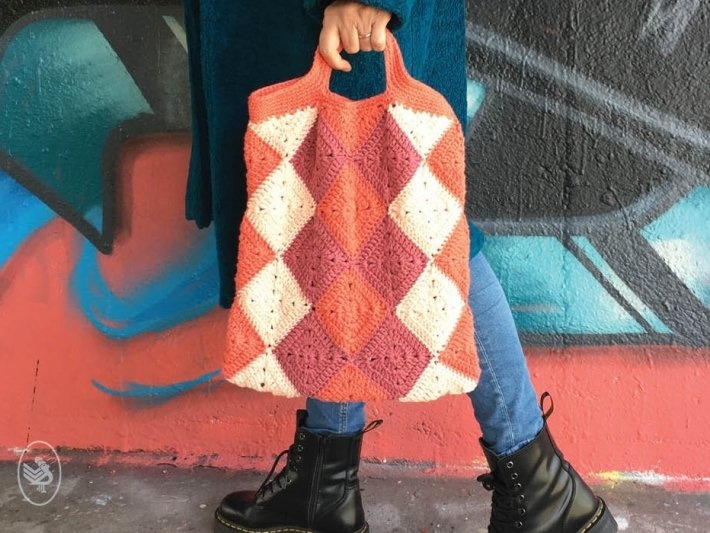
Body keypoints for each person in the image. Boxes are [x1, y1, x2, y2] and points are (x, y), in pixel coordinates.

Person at [181, 1, 619, 531]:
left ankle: (541, 483)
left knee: (424, 242)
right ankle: (324, 486)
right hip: (299, 25)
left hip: (339, 21)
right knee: (332, 247)